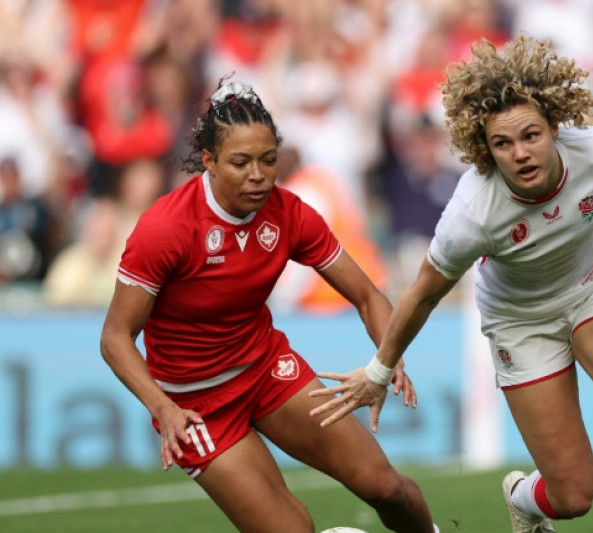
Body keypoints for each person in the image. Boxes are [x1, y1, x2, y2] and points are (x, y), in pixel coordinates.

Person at [312, 36, 593, 533]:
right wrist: (379, 370)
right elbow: (424, 292)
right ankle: (522, 498)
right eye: (502, 144)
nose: (521, 153)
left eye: (531, 135)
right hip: (519, 321)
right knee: (573, 496)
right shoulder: (472, 212)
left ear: (555, 127)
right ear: (484, 150)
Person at [99, 79, 439, 533]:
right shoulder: (165, 229)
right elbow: (115, 338)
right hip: (194, 406)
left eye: (268, 160)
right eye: (240, 163)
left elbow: (367, 296)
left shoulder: (290, 213)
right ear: (209, 161)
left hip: (267, 370)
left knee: (385, 487)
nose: (258, 175)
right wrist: (163, 408)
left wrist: (387, 359)